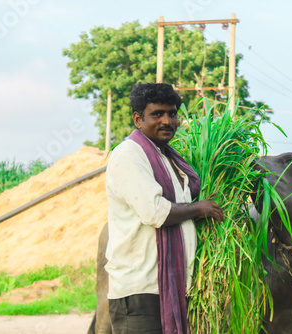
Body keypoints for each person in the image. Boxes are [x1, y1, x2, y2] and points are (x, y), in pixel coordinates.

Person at [104, 82, 224, 334]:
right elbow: (156, 212)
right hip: (139, 291)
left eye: (172, 113)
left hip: (168, 287)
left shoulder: (169, 159)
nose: (167, 121)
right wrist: (199, 208)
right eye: (157, 114)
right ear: (138, 119)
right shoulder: (129, 154)